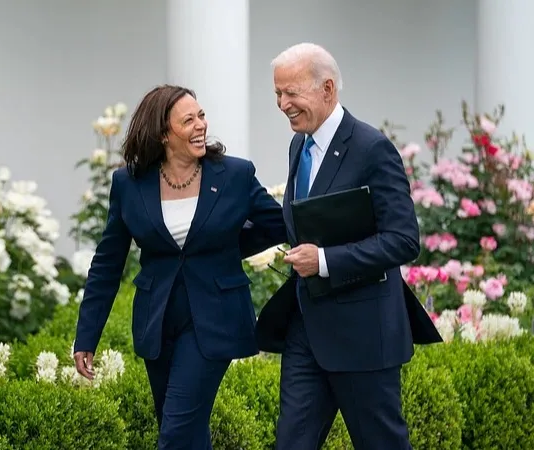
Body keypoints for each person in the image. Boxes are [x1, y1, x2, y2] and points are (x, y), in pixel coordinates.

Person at [73, 84, 286, 449]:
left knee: (176, 433)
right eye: (188, 120)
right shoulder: (128, 183)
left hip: (214, 319)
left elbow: (278, 224)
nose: (201, 125)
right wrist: (86, 335)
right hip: (158, 321)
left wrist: (225, 249)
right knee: (186, 431)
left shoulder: (234, 174)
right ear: (163, 134)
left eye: (201, 115)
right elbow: (107, 263)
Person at [251, 43, 443, 449]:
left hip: (363, 334)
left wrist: (324, 261)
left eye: (291, 93)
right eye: (277, 94)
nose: (282, 104)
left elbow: (404, 240)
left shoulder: (372, 148)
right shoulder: (298, 144)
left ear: (328, 89)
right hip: (307, 331)